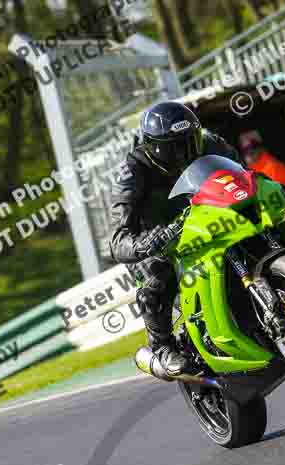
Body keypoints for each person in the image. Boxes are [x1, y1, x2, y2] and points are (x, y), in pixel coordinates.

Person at [109, 101, 241, 377]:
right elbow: (117, 239)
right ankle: (162, 347)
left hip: (206, 219)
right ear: (153, 147)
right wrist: (145, 243)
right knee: (157, 276)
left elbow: (243, 175)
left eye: (189, 142)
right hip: (157, 237)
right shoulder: (133, 170)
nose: (185, 153)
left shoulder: (210, 144)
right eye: (174, 147)